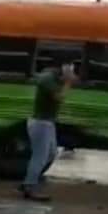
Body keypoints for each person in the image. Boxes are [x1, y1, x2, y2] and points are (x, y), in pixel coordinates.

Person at [20, 62, 77, 202]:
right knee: (40, 156)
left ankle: (28, 181)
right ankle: (29, 187)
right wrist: (68, 82)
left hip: (48, 123)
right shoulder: (47, 79)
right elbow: (59, 97)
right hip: (40, 123)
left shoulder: (54, 78)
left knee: (51, 153)